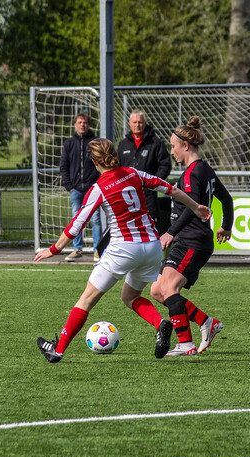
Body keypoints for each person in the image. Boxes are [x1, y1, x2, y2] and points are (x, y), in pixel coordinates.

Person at [35, 138, 210, 363]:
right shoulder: (134, 173)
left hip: (124, 248)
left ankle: (57, 350)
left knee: (86, 299)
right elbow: (170, 189)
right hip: (152, 247)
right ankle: (160, 324)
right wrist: (196, 207)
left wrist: (54, 249)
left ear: (95, 162)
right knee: (129, 296)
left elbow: (77, 223)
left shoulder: (99, 188)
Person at [150, 117, 234, 356]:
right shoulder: (204, 169)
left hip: (191, 240)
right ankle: (207, 322)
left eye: (173, 146)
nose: (172, 151)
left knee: (168, 289)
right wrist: (226, 225)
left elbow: (193, 207)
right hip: (187, 240)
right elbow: (226, 200)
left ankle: (185, 343)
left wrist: (170, 232)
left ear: (185, 146)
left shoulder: (192, 175)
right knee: (157, 290)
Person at [117, 110, 172, 233]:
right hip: (128, 194)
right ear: (129, 124)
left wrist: (153, 182)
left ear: (145, 123)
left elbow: (165, 164)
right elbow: (117, 167)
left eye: (140, 122)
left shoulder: (156, 143)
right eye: (135, 122)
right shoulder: (123, 144)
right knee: (130, 225)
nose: (138, 125)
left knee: (150, 225)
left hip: (148, 195)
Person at [58, 113, 101, 261]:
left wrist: (98, 183)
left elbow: (101, 163)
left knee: (95, 220)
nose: (82, 125)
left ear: (88, 125)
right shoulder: (69, 143)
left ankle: (97, 250)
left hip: (92, 188)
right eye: (79, 122)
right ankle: (77, 249)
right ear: (75, 125)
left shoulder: (95, 142)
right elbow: (64, 165)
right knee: (77, 219)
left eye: (85, 122)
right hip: (76, 188)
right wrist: (69, 185)